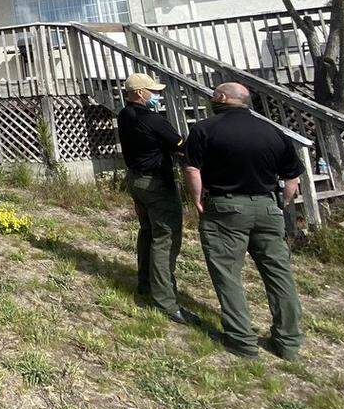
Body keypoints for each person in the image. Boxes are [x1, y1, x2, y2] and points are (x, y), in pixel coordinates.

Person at [183, 82, 304, 360]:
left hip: (226, 206)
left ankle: (242, 340)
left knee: (228, 273)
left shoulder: (205, 129)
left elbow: (192, 168)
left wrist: (198, 198)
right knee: (279, 274)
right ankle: (288, 342)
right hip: (267, 206)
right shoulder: (272, 132)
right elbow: (292, 179)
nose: (212, 98)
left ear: (223, 98)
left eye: (214, 95)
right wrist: (281, 203)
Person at [116, 72, 197, 324]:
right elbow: (180, 144)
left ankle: (145, 283)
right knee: (165, 238)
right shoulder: (152, 119)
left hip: (135, 180)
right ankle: (165, 300)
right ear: (140, 93)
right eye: (152, 91)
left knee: (148, 232)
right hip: (156, 183)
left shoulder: (124, 115)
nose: (156, 96)